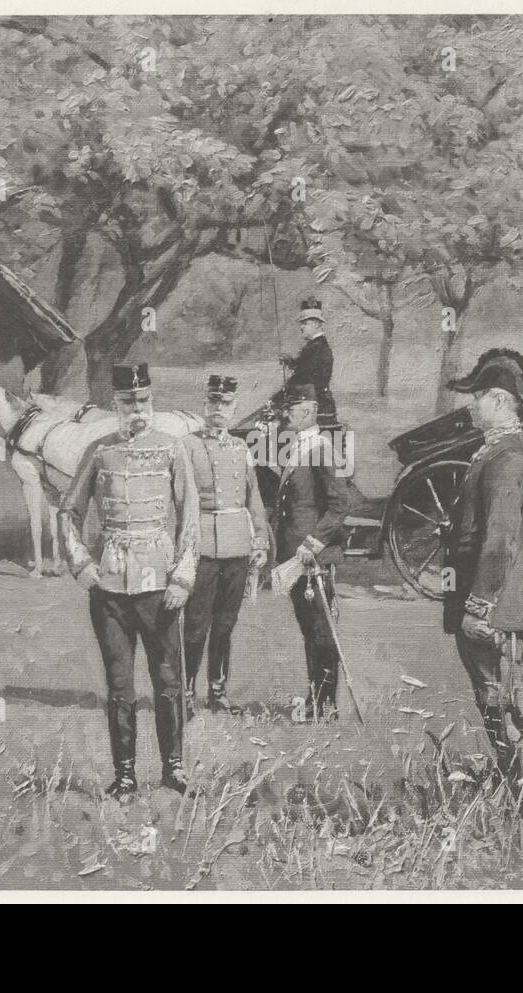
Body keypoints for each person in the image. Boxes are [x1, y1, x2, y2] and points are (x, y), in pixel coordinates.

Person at [58, 363, 198, 797]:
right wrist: (82, 564)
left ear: (151, 402)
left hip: (160, 588)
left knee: (168, 681)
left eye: (143, 401)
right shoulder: (99, 451)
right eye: (128, 402)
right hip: (111, 590)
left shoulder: (173, 449)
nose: (137, 409)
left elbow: (190, 515)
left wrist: (183, 576)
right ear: (115, 404)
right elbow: (69, 511)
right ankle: (125, 774)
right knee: (120, 685)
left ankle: (173, 769)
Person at [441, 350, 523, 791]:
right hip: (502, 594)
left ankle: (522, 791)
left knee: (499, 696)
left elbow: (501, 539)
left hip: (496, 599)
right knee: (503, 694)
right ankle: (522, 786)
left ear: (502, 402)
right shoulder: (503, 450)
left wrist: (478, 605)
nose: (472, 405)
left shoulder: (505, 457)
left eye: (479, 397)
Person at [182, 375, 270, 716]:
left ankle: (217, 691)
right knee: (196, 624)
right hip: (202, 545)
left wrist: (259, 539)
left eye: (226, 404)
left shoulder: (241, 448)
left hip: (237, 546)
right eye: (214, 403)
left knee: (225, 623)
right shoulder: (187, 446)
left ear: (234, 409)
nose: (219, 409)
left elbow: (254, 497)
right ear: (206, 405)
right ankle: (186, 691)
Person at [272, 383, 350, 720]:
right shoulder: (303, 446)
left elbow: (339, 505)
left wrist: (313, 543)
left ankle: (326, 704)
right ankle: (317, 699)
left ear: (306, 411)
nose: (286, 414)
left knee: (321, 631)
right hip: (297, 559)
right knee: (311, 631)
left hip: (313, 559)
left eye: (291, 409)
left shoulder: (320, 449)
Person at [276, 297, 338, 429]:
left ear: (316, 324)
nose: (301, 327)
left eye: (305, 323)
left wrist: (279, 397)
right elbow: (305, 368)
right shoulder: (315, 346)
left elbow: (303, 378)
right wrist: (290, 361)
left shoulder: (318, 348)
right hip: (312, 402)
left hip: (316, 407)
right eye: (301, 323)